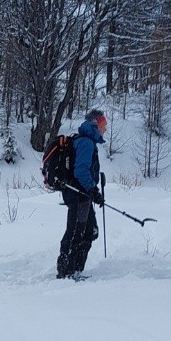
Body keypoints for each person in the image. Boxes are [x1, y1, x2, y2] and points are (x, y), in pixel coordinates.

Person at [54, 109, 107, 280]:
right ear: (95, 124)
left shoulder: (86, 141)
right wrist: (93, 189)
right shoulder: (86, 143)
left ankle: (74, 269)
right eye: (103, 125)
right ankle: (67, 271)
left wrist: (92, 191)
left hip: (81, 194)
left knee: (89, 231)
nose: (105, 128)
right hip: (78, 194)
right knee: (77, 231)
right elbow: (80, 171)